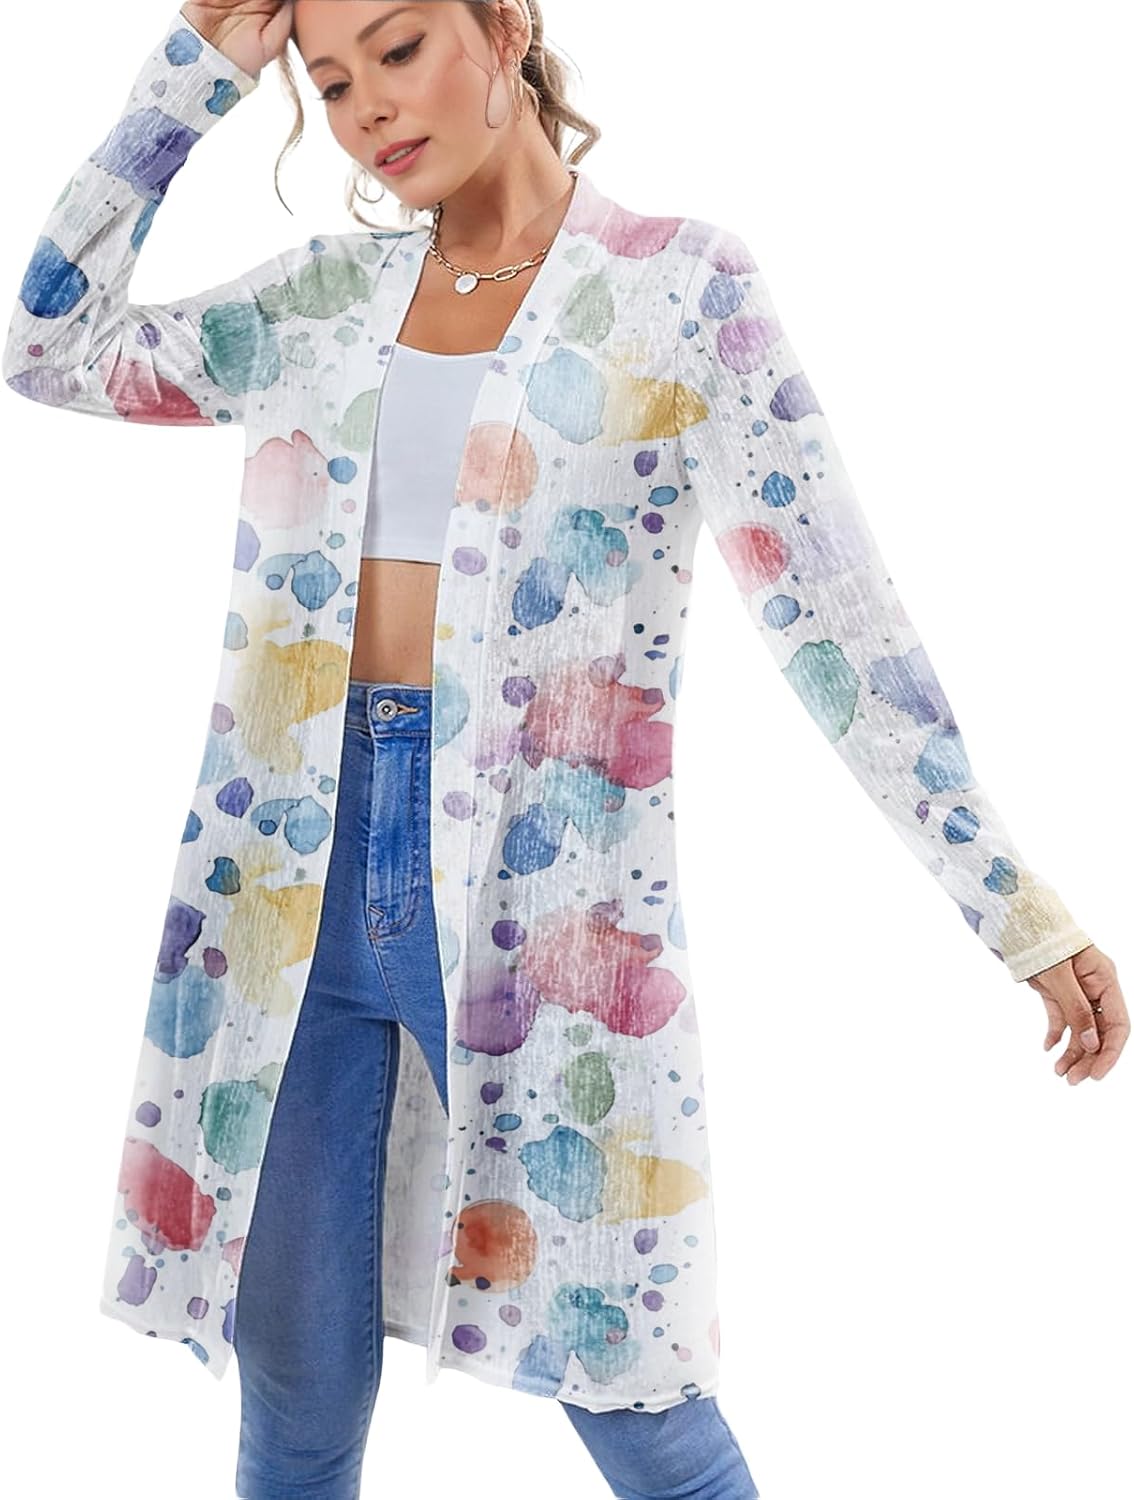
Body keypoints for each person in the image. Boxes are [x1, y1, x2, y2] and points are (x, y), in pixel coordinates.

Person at [3, 4, 1123, 1499]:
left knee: (632, 1387)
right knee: (293, 1389)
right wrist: (193, 74)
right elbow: (47, 344)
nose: (366, 107)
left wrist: (1013, 906)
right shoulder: (322, 300)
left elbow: (837, 617)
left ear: (507, 23)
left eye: (399, 47)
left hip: (543, 917)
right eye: (326, 81)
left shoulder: (679, 288)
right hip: (288, 888)